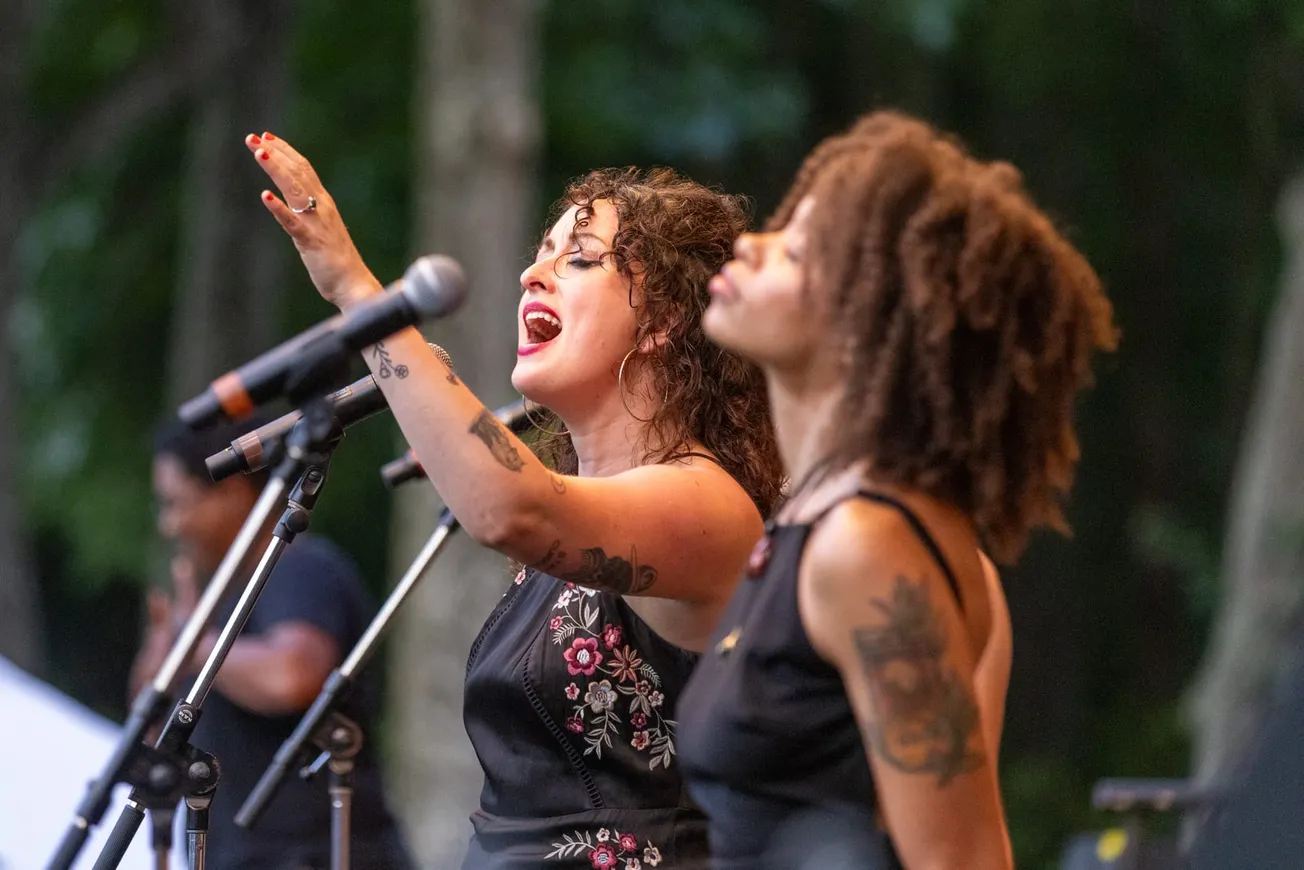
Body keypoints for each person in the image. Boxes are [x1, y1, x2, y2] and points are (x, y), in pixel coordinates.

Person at [245, 131, 784, 868]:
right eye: (540, 253)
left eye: (581, 259)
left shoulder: (708, 505)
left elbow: (511, 508)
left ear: (663, 322)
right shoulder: (568, 521)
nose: (534, 274)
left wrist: (358, 291)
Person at [678, 110, 1119, 869]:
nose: (751, 244)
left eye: (799, 250)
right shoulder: (815, 523)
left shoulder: (870, 548)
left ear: (865, 318)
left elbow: (962, 859)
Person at [131, 415, 413, 870]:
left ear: (233, 495)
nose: (170, 525)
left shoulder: (301, 569)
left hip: (316, 855)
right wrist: (168, 646)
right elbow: (149, 723)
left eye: (178, 504)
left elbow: (291, 676)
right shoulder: (220, 604)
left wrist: (195, 645)